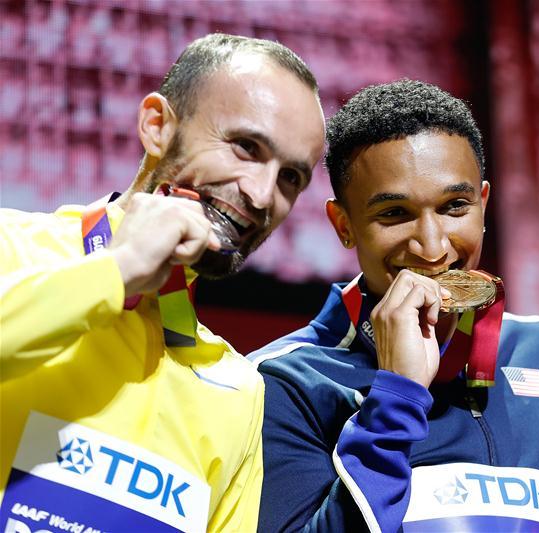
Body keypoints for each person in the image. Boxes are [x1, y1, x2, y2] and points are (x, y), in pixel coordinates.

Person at [0, 34, 325, 531]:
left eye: (290, 179)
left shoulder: (238, 391)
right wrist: (121, 269)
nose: (262, 196)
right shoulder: (11, 247)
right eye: (245, 147)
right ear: (157, 126)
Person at [250, 79, 539, 532]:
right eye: (394, 214)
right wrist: (395, 400)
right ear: (343, 225)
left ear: (483, 203)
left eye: (454, 206)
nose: (432, 247)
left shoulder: (537, 350)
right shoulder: (285, 381)